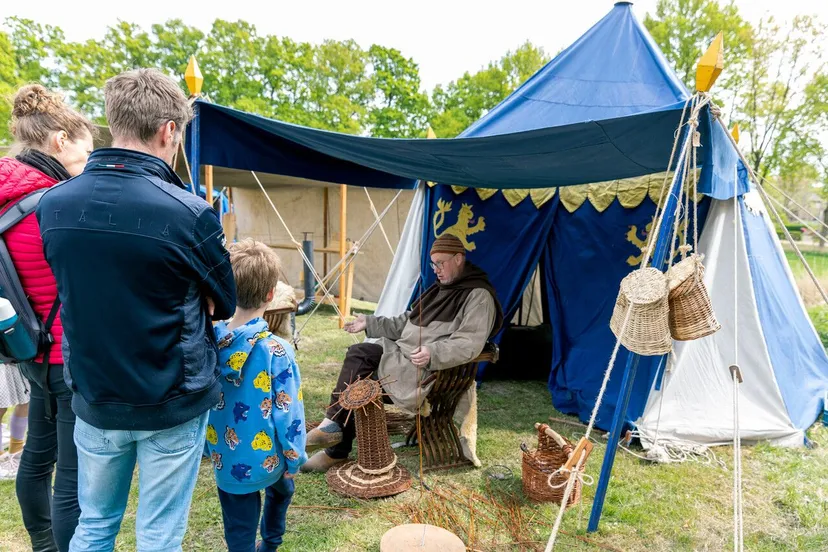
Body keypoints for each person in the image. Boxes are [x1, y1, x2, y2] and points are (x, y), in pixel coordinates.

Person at [36, 69, 236, 551]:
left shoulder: (54, 204)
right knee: (158, 534)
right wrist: (193, 290)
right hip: (170, 395)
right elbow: (224, 300)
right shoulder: (188, 212)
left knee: (96, 525)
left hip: (95, 391)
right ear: (169, 130)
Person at [302, 234, 503, 472]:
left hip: (425, 373)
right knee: (360, 353)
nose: (436, 269)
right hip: (399, 359)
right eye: (433, 263)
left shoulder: (478, 296)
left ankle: (335, 449)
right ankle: (331, 426)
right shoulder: (440, 290)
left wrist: (433, 352)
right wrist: (369, 322)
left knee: (360, 381)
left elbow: (469, 342)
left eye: (441, 263)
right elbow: (405, 323)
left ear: (459, 259)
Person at [0, 84, 95, 551]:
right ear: (60, 141)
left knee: (37, 456)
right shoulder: (53, 204)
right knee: (71, 478)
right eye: (85, 151)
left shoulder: (6, 196)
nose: (87, 162)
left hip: (25, 346)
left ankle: (40, 543)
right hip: (65, 353)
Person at [207, 239, 306, 552]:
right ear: (269, 295)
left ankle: (265, 545)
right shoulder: (278, 351)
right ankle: (271, 544)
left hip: (228, 458)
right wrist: (295, 456)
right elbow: (289, 414)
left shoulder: (207, 343)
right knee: (283, 489)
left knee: (239, 531)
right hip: (271, 457)